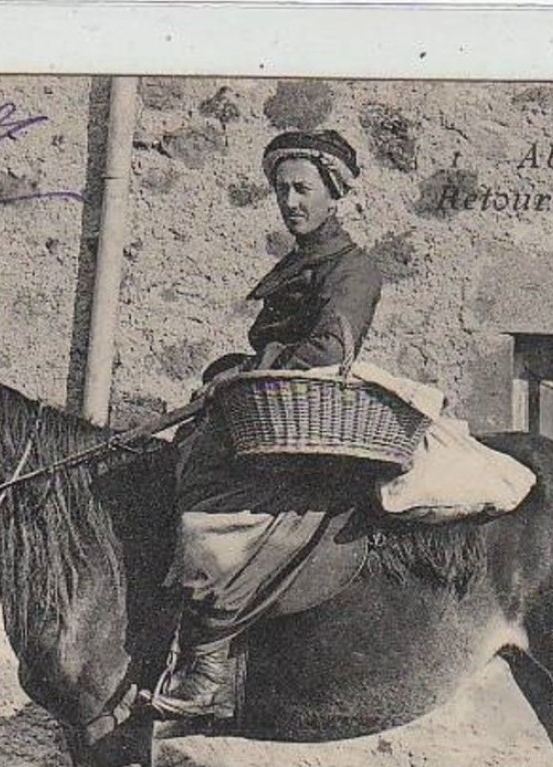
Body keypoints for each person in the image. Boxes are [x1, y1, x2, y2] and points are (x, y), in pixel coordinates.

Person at [151, 130, 384, 720]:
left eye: (303, 189)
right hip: (267, 418)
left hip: (309, 431)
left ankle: (209, 664)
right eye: (281, 190)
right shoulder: (298, 266)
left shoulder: (353, 270)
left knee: (217, 524)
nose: (290, 202)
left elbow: (330, 347)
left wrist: (249, 372)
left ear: (334, 192)